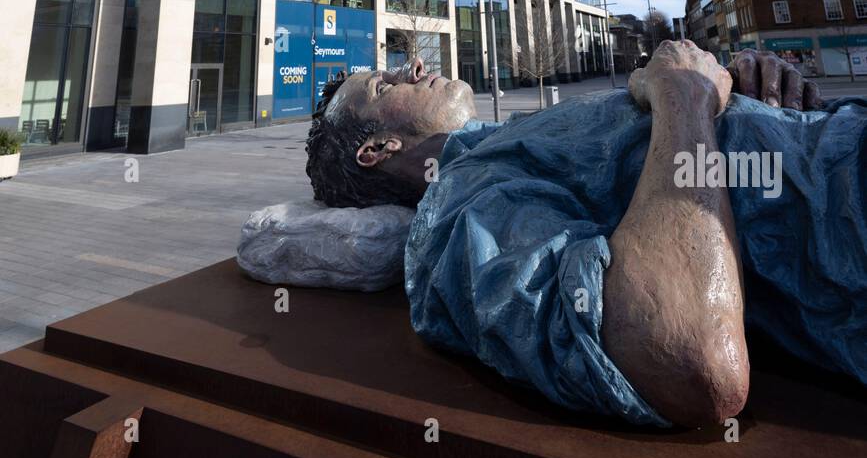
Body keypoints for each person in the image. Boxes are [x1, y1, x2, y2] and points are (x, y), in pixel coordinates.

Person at [304, 43, 866, 428]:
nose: (414, 64)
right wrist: (686, 93)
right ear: (376, 150)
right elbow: (689, 355)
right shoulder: (460, 204)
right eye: (384, 85)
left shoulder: (504, 141)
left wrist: (751, 89)